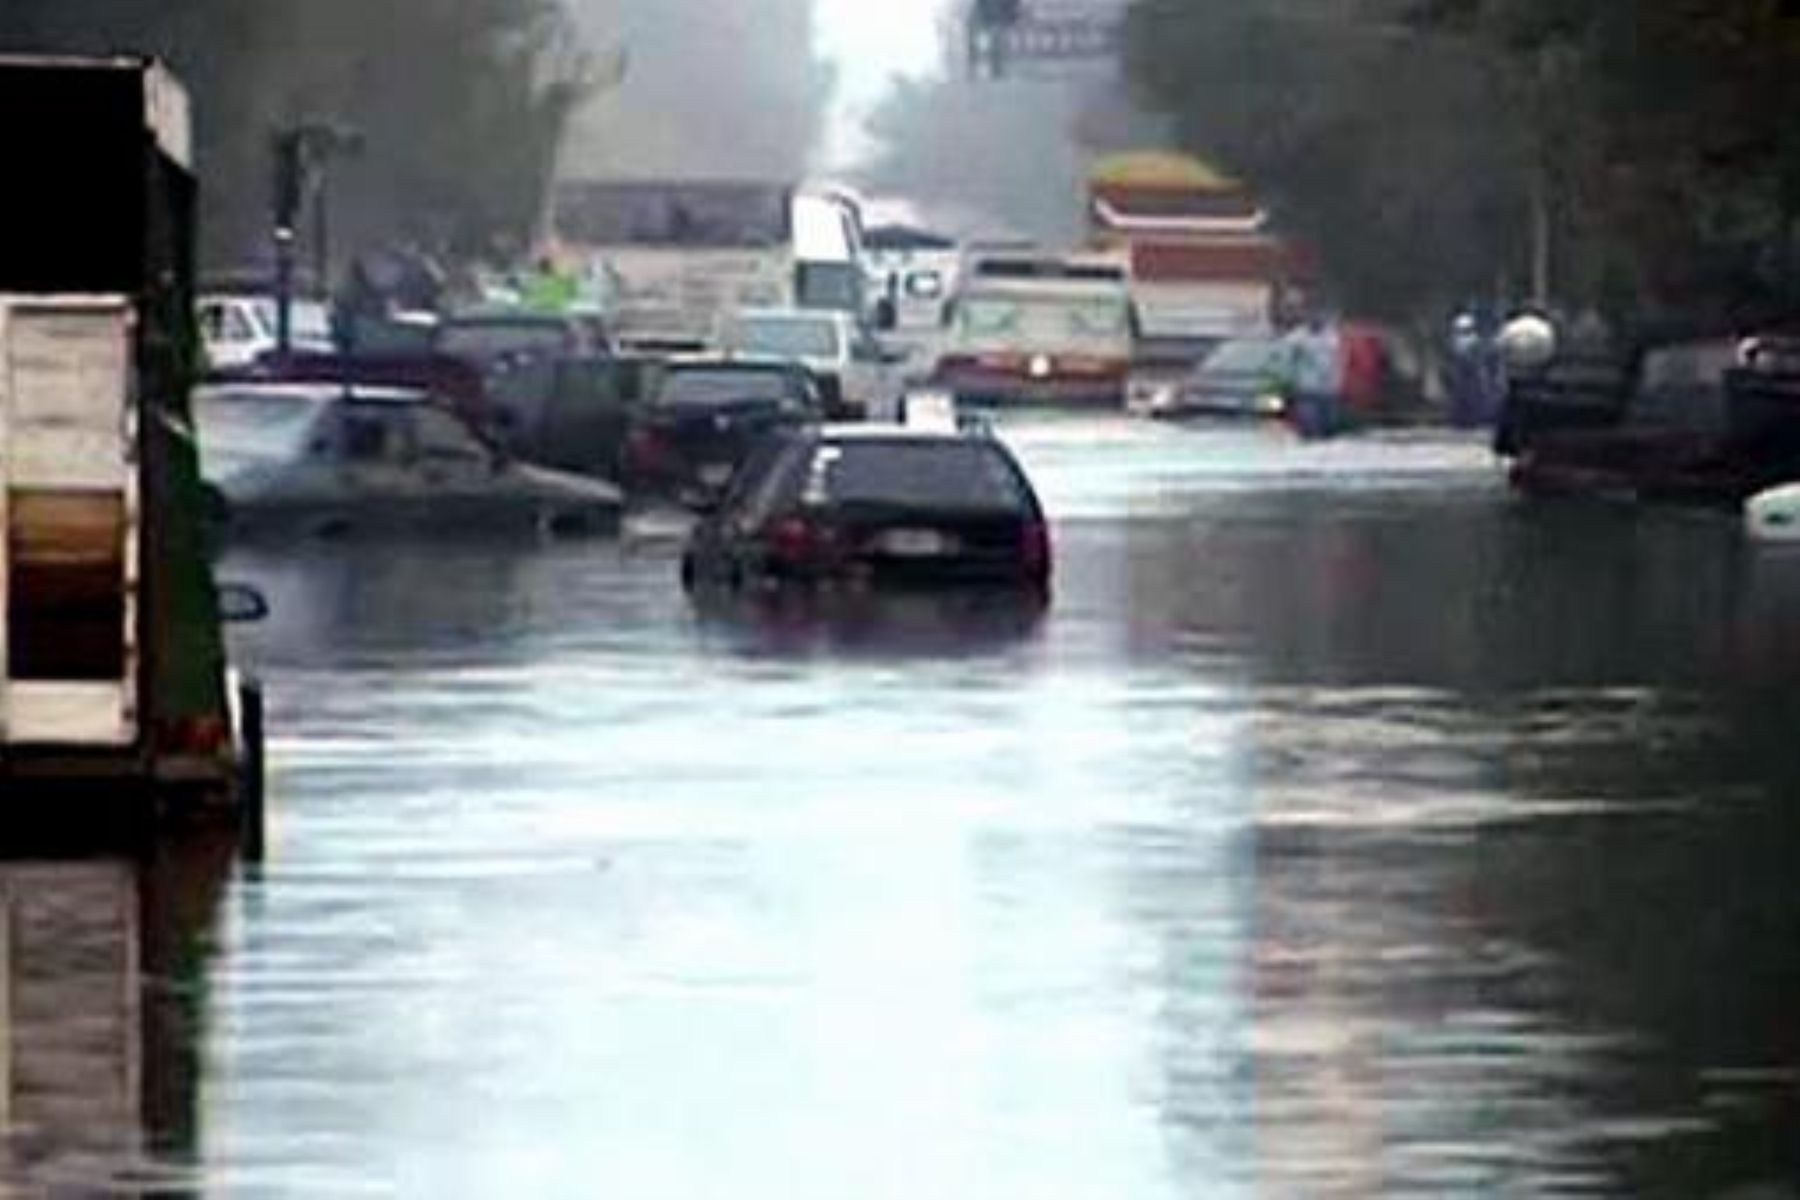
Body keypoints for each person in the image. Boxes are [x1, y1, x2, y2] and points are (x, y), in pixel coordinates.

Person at [1282, 314, 1343, 439]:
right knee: (1309, 418)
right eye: (1313, 321)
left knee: (1328, 421)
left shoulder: (1331, 336)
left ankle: (1324, 440)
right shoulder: (1298, 337)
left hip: (1328, 387)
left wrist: (1337, 380)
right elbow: (1287, 358)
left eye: (1319, 321)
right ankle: (1309, 437)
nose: (1316, 324)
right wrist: (1291, 378)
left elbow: (1336, 359)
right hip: (1306, 386)